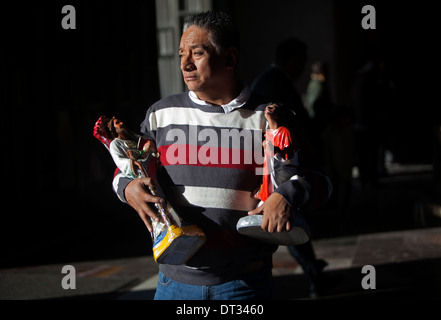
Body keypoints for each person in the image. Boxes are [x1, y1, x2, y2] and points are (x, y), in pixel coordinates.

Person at [112, 11, 331, 300]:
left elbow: (321, 183)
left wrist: (288, 195)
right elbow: (126, 168)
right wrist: (127, 189)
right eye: (181, 54)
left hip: (242, 286)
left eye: (198, 53)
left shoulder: (270, 117)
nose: (185, 63)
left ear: (229, 58)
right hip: (172, 285)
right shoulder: (160, 115)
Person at [251, 38, 332, 297]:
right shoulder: (274, 83)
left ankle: (314, 271)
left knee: (287, 216)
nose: (304, 67)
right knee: (285, 217)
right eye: (302, 60)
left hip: (279, 159)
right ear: (292, 59)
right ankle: (314, 275)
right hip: (279, 160)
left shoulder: (270, 80)